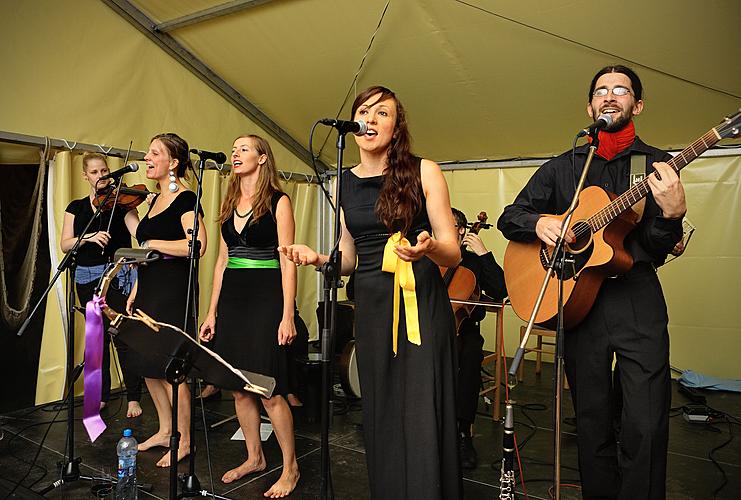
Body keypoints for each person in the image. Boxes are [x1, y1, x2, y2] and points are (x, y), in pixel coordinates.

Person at [497, 65, 686, 498]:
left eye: (621, 90)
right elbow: (512, 216)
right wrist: (541, 222)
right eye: (601, 90)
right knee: (591, 419)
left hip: (635, 295)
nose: (610, 96)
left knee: (646, 418)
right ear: (590, 106)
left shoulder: (654, 166)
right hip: (578, 301)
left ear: (636, 105)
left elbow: (655, 247)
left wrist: (672, 215)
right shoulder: (565, 166)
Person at [279, 85, 463, 499]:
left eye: (384, 113)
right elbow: (348, 257)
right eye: (365, 111)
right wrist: (317, 258)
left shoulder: (424, 170)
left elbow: (453, 252)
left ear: (397, 127)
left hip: (420, 298)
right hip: (374, 303)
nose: (373, 119)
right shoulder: (342, 182)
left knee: (420, 405)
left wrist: (430, 247)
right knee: (380, 403)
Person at [199, 134, 300, 498]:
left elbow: (288, 259)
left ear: (262, 159)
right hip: (234, 299)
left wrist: (288, 314)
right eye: (234, 149)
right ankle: (255, 457)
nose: (235, 153)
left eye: (243, 149)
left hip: (265, 296)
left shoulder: (278, 201)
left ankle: (291, 468)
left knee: (269, 389)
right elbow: (222, 261)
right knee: (239, 387)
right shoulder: (228, 203)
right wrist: (211, 313)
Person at [122, 133, 207, 468]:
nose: (147, 157)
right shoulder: (153, 200)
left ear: (173, 163)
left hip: (174, 291)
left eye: (154, 153)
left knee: (173, 369)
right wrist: (134, 290)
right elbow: (144, 252)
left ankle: (184, 441)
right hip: (149, 288)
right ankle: (165, 429)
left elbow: (195, 246)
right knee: (148, 364)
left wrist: (153, 243)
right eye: (147, 152)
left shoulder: (185, 199)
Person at [60, 152, 143, 418]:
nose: (101, 176)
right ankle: (101, 396)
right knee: (96, 338)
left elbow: (138, 232)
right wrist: (90, 237)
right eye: (94, 172)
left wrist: (139, 208)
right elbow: (65, 243)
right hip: (86, 276)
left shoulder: (122, 203)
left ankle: (133, 397)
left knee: (123, 336)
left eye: (104, 171)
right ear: (86, 175)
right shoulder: (76, 207)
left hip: (118, 276)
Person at [450, 207, 507, 469]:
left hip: (465, 329)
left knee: (470, 355)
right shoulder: (431, 256)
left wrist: (484, 254)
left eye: (449, 225)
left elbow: (500, 290)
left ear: (462, 229)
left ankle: (463, 432)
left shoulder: (473, 262)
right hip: (432, 327)